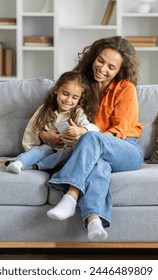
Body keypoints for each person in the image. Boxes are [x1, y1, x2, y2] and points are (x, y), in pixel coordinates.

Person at [40, 36, 144, 241]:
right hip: (92, 152)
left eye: (111, 67)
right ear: (93, 57)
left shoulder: (125, 89)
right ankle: (94, 220)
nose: (103, 68)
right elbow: (56, 113)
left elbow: (121, 130)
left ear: (119, 70)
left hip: (125, 149)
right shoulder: (79, 85)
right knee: (98, 166)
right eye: (100, 61)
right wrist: (49, 135)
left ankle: (70, 195)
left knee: (92, 138)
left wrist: (86, 136)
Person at [5, 71, 99, 174]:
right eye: (65, 94)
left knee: (67, 153)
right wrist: (43, 136)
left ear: (79, 99)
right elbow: (32, 129)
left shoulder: (78, 113)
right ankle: (18, 162)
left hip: (65, 151)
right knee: (41, 150)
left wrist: (81, 130)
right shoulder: (45, 109)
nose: (68, 100)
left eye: (74, 97)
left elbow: (95, 129)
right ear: (56, 90)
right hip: (48, 147)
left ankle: (35, 166)